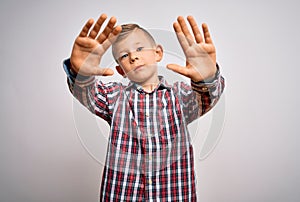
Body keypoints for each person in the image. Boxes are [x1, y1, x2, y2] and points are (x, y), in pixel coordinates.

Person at [63, 13, 225, 201]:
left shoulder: (180, 96)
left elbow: (206, 98)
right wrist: (80, 73)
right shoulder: (114, 97)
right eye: (124, 55)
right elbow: (87, 93)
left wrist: (206, 78)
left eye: (139, 48)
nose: (133, 57)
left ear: (158, 53)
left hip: (174, 194)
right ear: (121, 70)